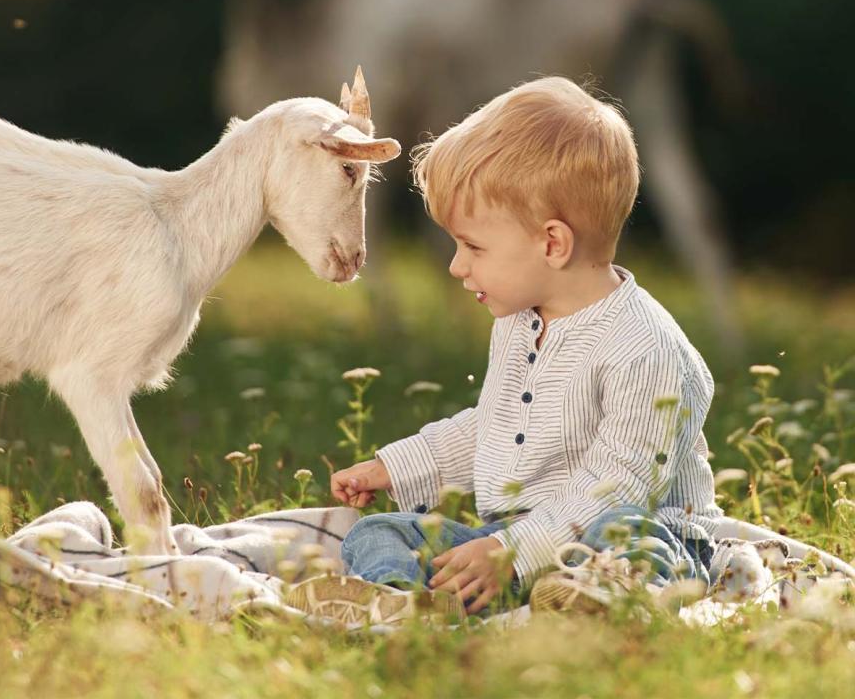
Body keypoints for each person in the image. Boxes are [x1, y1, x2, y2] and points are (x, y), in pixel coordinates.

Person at [287, 77, 720, 624]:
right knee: (382, 532)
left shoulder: (643, 348)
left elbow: (622, 483)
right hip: (513, 542)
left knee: (634, 543)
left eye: (472, 246)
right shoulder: (520, 321)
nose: (457, 266)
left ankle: (605, 604)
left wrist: (517, 550)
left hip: (637, 534)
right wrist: (394, 467)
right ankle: (401, 605)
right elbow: (491, 426)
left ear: (552, 244)